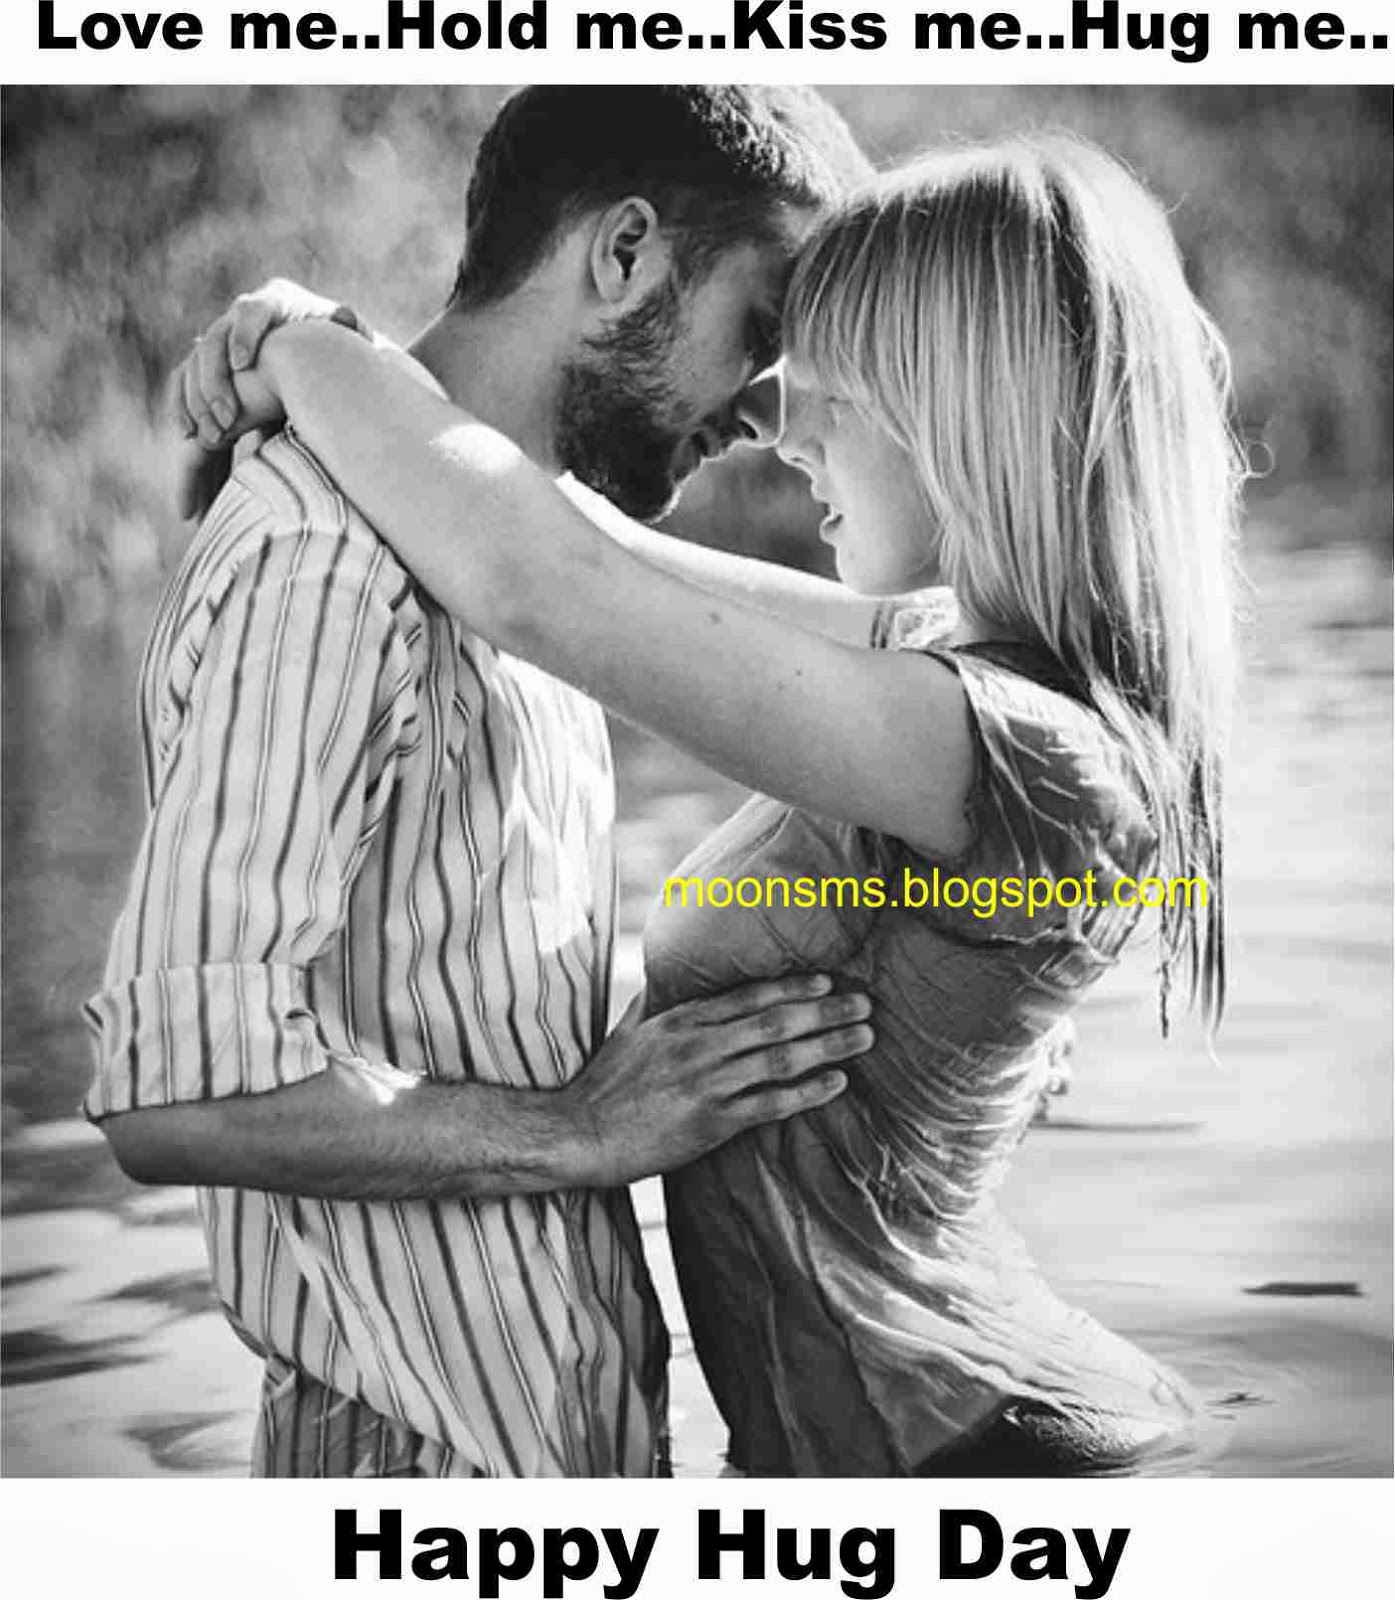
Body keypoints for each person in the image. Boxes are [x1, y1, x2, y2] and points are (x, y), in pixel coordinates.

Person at [182, 131, 1243, 1476]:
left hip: (976, 1457)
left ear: (965, 408)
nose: (789, 433)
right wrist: (346, 352)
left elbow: (537, 589)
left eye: (839, 389)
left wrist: (304, 351)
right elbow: (582, 541)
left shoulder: (1011, 746)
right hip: (870, 1457)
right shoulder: (947, 668)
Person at [82, 86, 883, 1480]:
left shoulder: (532, 570)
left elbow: (472, 999)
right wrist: (579, 1130)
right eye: (761, 328)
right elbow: (176, 1097)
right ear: (623, 254)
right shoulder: (322, 560)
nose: (767, 414)